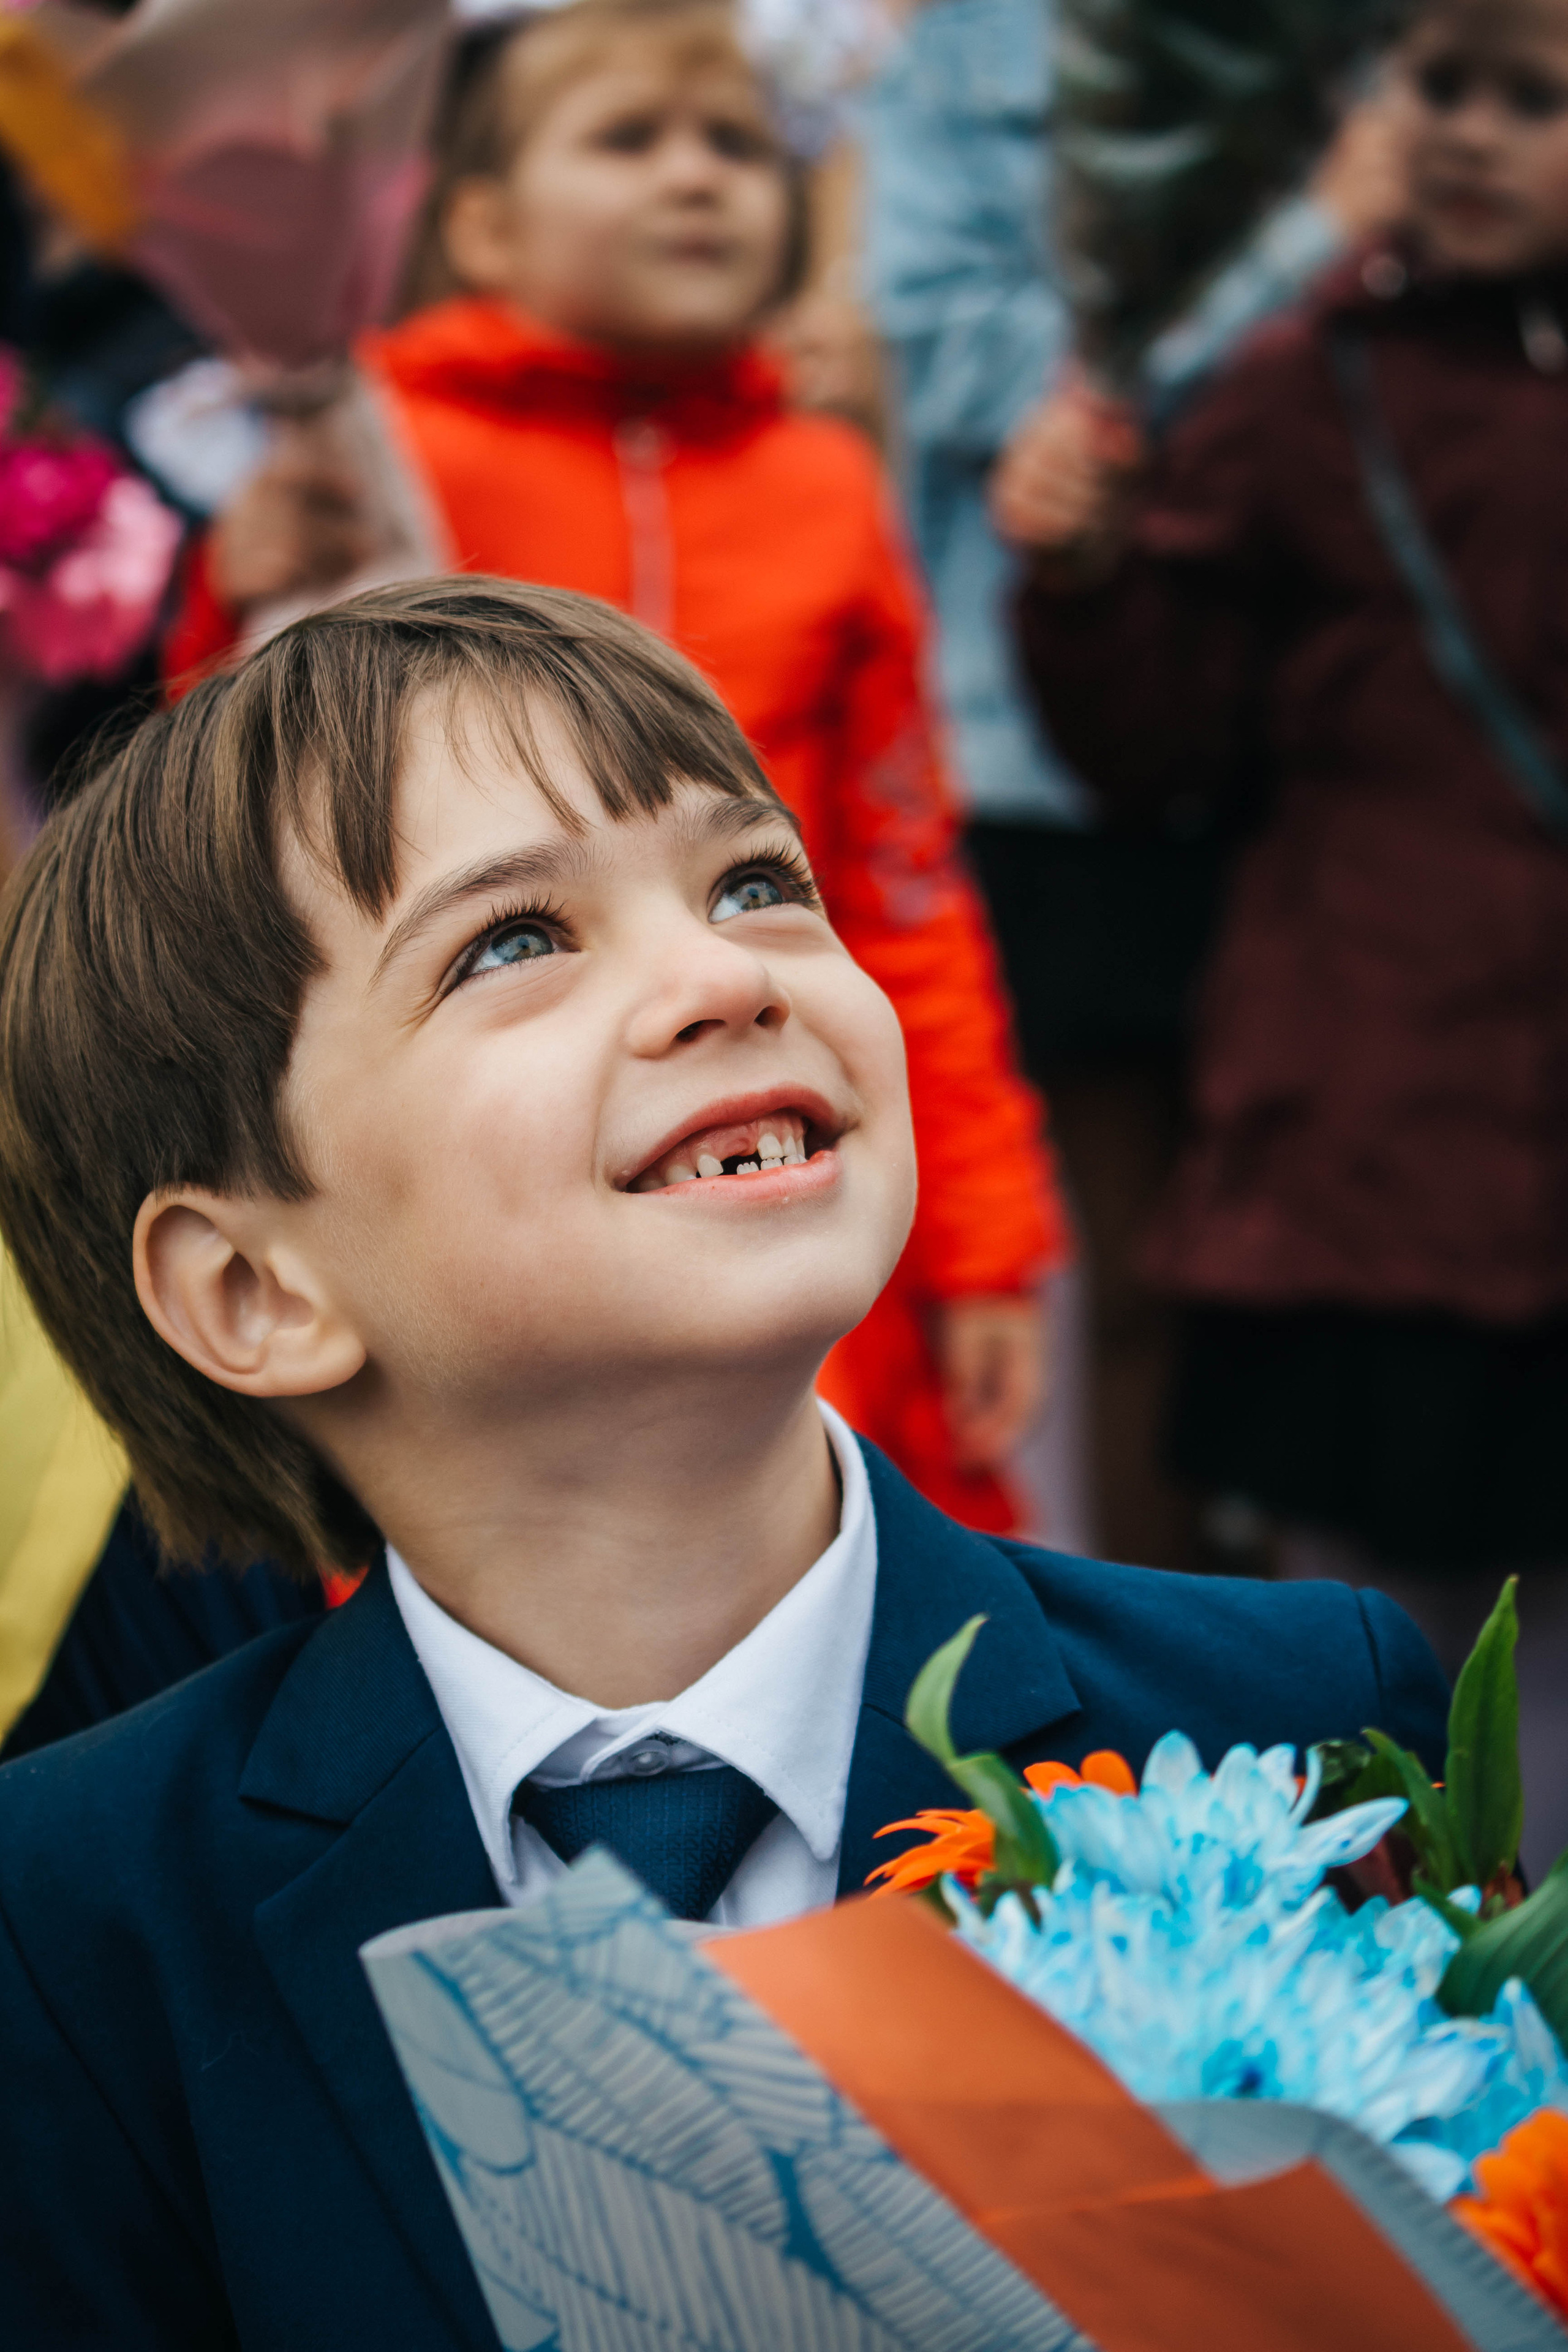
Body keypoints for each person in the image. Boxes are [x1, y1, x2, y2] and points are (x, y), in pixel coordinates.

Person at [0, 577, 1447, 2345]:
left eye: (758, 883)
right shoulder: (73, 1913)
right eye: (514, 944)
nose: (718, 979)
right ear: (254, 1288)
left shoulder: (1289, 1718)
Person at [165, 0, 1063, 1536]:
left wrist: (983, 1239)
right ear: (482, 223)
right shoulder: (377, 443)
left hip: (772, 1132)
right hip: (494, 1171)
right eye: (628, 139)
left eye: (734, 141)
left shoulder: (826, 481)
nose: (697, 178)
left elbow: (904, 887)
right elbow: (261, 834)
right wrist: (226, 593)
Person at [1013, 0, 1568, 1872]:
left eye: (1533, 94)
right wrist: (1080, 571)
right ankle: (1447, 2068)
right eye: (1439, 83)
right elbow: (1149, 742)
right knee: (1394, 1656)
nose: (1472, 131)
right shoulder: (1293, 388)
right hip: (1381, 1105)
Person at [858, 0, 1406, 1569]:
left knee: (1328, 1280)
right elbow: (986, 374)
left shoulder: (1375, 40)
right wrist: (1308, 244)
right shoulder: (966, 44)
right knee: (1145, 1280)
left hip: (1340, 751)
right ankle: (1168, 1755)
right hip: (1053, 747)